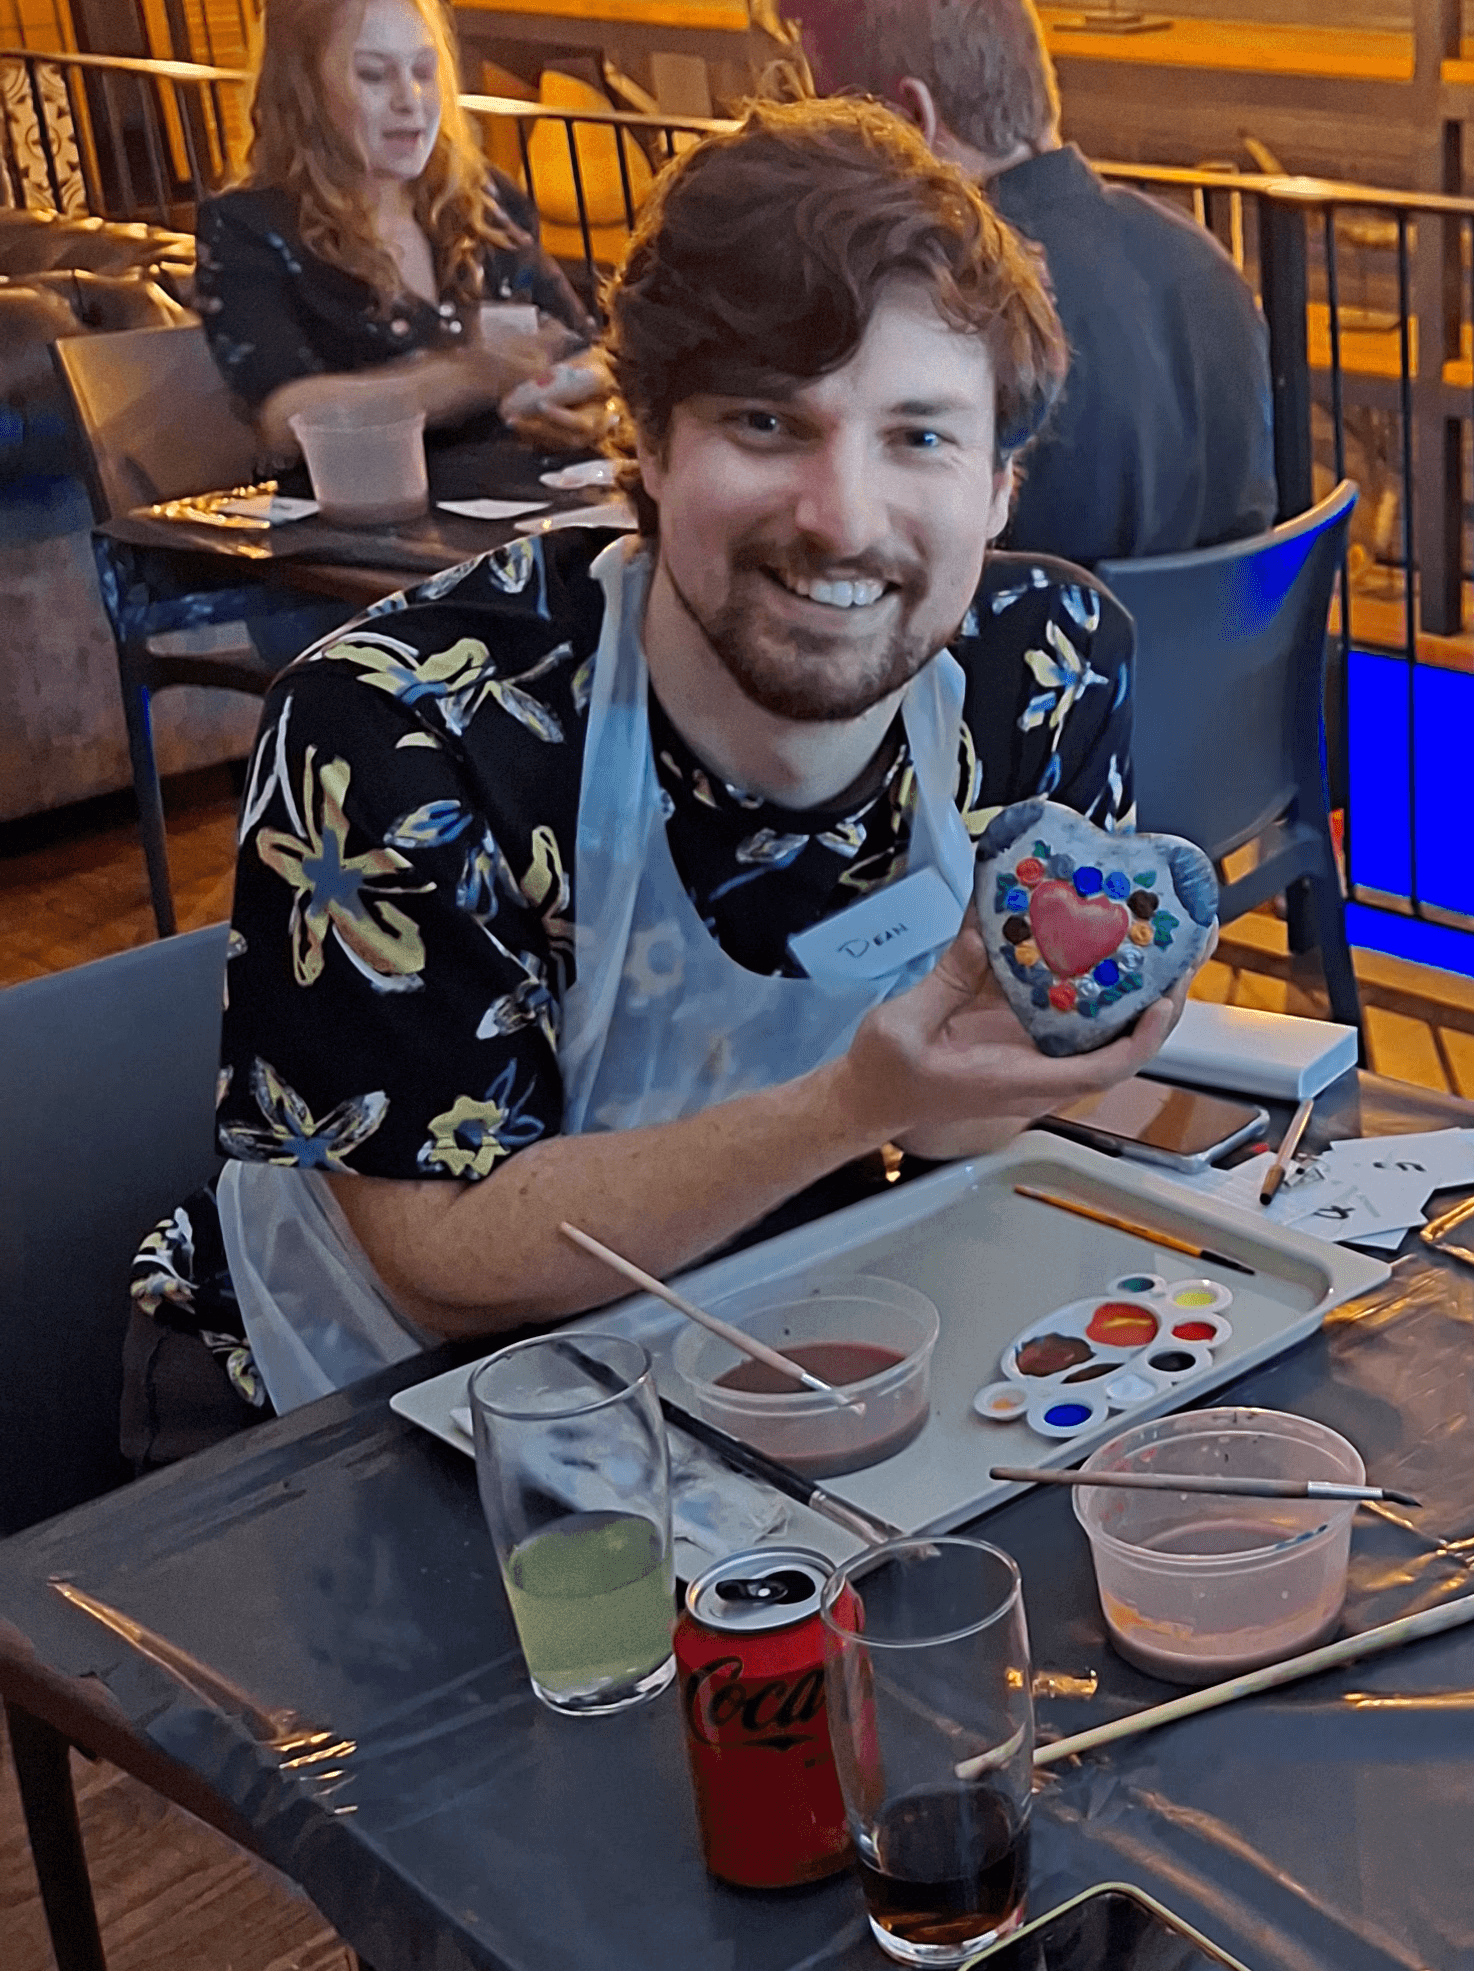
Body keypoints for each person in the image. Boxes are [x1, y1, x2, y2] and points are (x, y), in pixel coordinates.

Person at [124, 97, 1180, 1450]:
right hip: (335, 1424)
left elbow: (985, 1114)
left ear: (998, 488)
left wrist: (1028, 1072)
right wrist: (859, 1107)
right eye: (765, 422)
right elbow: (440, 1261)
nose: (842, 516)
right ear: (647, 445)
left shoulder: (1047, 669)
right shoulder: (401, 732)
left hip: (766, 1340)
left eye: (918, 436)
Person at [753, 0, 1277, 565]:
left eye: (825, 116)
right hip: (1227, 670)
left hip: (1033, 667)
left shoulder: (939, 303)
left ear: (911, 121)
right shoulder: (1201, 257)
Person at [197, 0, 596, 463]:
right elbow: (288, 420)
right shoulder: (248, 227)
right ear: (304, 91)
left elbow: (592, 351)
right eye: (374, 75)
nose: (410, 100)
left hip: (532, 509)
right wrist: (478, 372)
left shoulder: (486, 198)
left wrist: (589, 409)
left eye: (424, 71)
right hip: (370, 527)